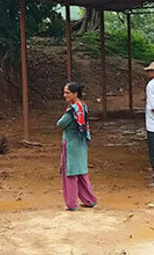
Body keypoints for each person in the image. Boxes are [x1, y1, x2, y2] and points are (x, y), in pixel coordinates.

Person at [56, 82, 97, 211]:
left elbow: (60, 123)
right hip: (81, 143)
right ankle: (89, 200)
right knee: (81, 172)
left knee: (70, 173)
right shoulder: (83, 106)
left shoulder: (72, 109)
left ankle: (71, 203)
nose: (65, 95)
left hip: (71, 143)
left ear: (75, 93)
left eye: (67, 93)